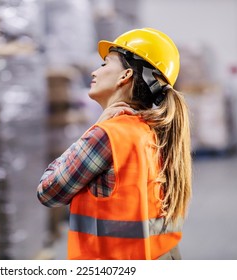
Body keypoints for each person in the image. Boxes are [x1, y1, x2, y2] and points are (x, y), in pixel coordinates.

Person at [37, 28, 192, 260]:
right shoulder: (153, 130)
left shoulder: (108, 135)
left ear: (125, 75)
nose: (94, 71)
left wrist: (92, 129)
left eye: (105, 64)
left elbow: (48, 191)